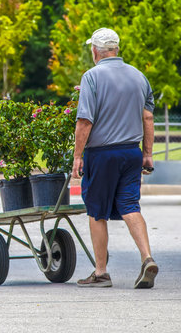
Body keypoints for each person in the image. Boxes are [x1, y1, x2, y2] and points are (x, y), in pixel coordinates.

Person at [71, 28, 158, 289]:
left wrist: (77, 156)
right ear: (116, 49)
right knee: (130, 205)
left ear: (95, 51)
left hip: (102, 154)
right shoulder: (139, 77)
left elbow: (85, 120)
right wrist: (148, 154)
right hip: (131, 152)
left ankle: (101, 272)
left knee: (96, 210)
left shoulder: (92, 77)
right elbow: (148, 118)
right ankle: (147, 258)